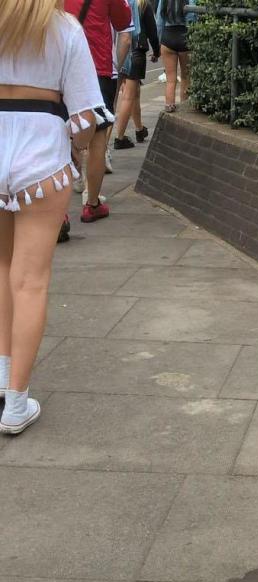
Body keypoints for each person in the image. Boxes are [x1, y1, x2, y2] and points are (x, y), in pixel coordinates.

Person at [0, 0, 101, 432]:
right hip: (42, 153)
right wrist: (76, 151)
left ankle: (2, 378)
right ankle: (17, 402)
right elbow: (84, 118)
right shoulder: (64, 29)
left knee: (2, 267)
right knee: (31, 280)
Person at [65, 0, 132, 224]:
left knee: (60, 135)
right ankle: (91, 203)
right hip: (97, 69)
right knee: (97, 137)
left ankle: (58, 213)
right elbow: (124, 23)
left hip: (60, 67)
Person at [114, 0, 159, 149]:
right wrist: (156, 51)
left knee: (129, 95)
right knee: (128, 96)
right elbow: (152, 31)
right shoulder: (143, 4)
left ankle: (139, 129)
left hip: (117, 50)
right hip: (135, 51)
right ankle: (119, 138)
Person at [156, 0, 191, 112]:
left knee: (171, 78)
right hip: (185, 36)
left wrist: (159, 42)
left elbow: (159, 22)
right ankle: (184, 106)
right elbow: (192, 17)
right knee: (186, 77)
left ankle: (169, 105)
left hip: (168, 37)